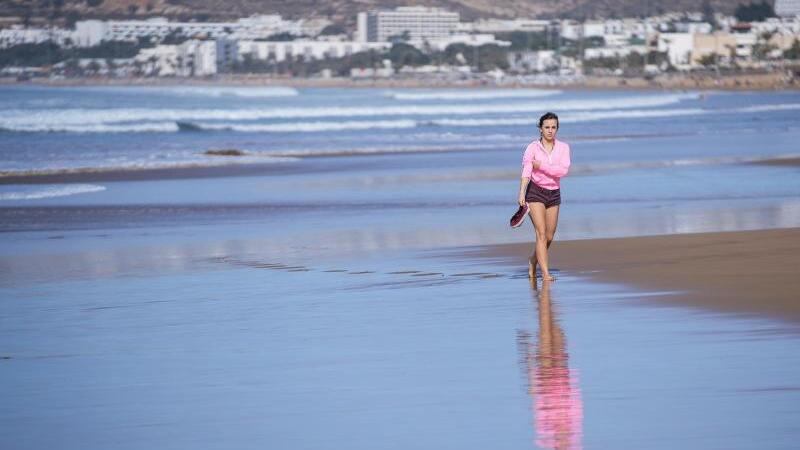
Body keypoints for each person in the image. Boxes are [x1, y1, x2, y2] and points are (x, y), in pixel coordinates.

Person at [517, 112, 571, 281]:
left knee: (549, 236)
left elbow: (562, 170)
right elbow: (527, 170)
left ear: (557, 129)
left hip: (554, 193)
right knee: (540, 233)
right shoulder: (532, 147)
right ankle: (545, 273)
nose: (550, 130)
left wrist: (541, 166)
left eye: (553, 127)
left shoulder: (564, 148)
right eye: (546, 127)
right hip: (535, 192)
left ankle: (533, 261)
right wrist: (521, 193)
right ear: (540, 129)